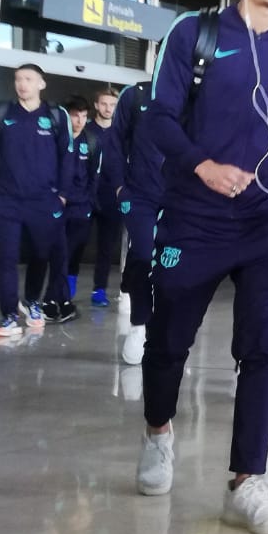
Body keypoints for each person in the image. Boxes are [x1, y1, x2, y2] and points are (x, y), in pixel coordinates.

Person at [136, 0, 268, 534]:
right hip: (196, 217)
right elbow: (158, 118)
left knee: (264, 349)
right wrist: (203, 166)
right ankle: (159, 432)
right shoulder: (196, 34)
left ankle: (247, 481)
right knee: (168, 343)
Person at [0, 63, 71, 338]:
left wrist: (63, 195)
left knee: (40, 255)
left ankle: (32, 302)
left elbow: (66, 157)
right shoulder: (2, 115)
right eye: (19, 79)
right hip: (6, 201)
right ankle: (9, 316)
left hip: (45, 202)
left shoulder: (55, 116)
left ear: (41, 84)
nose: (22, 84)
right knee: (7, 260)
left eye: (29, 79)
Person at [102, 75, 164, 365]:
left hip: (182, 198)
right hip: (139, 194)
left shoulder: (198, 95)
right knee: (142, 252)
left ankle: (164, 326)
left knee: (174, 264)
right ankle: (141, 323)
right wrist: (118, 186)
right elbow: (115, 143)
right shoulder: (136, 95)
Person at [37, 96, 98, 323]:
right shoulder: (55, 140)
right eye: (75, 115)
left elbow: (94, 176)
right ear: (66, 116)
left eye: (83, 116)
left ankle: (55, 301)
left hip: (81, 209)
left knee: (67, 257)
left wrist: (89, 203)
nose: (80, 120)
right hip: (57, 207)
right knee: (58, 256)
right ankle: (54, 301)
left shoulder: (91, 141)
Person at [84, 86, 121, 308]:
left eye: (112, 105)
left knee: (106, 248)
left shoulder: (121, 133)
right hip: (84, 196)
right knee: (74, 244)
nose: (108, 109)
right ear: (96, 105)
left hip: (111, 198)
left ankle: (99, 290)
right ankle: (66, 287)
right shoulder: (85, 131)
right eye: (104, 104)